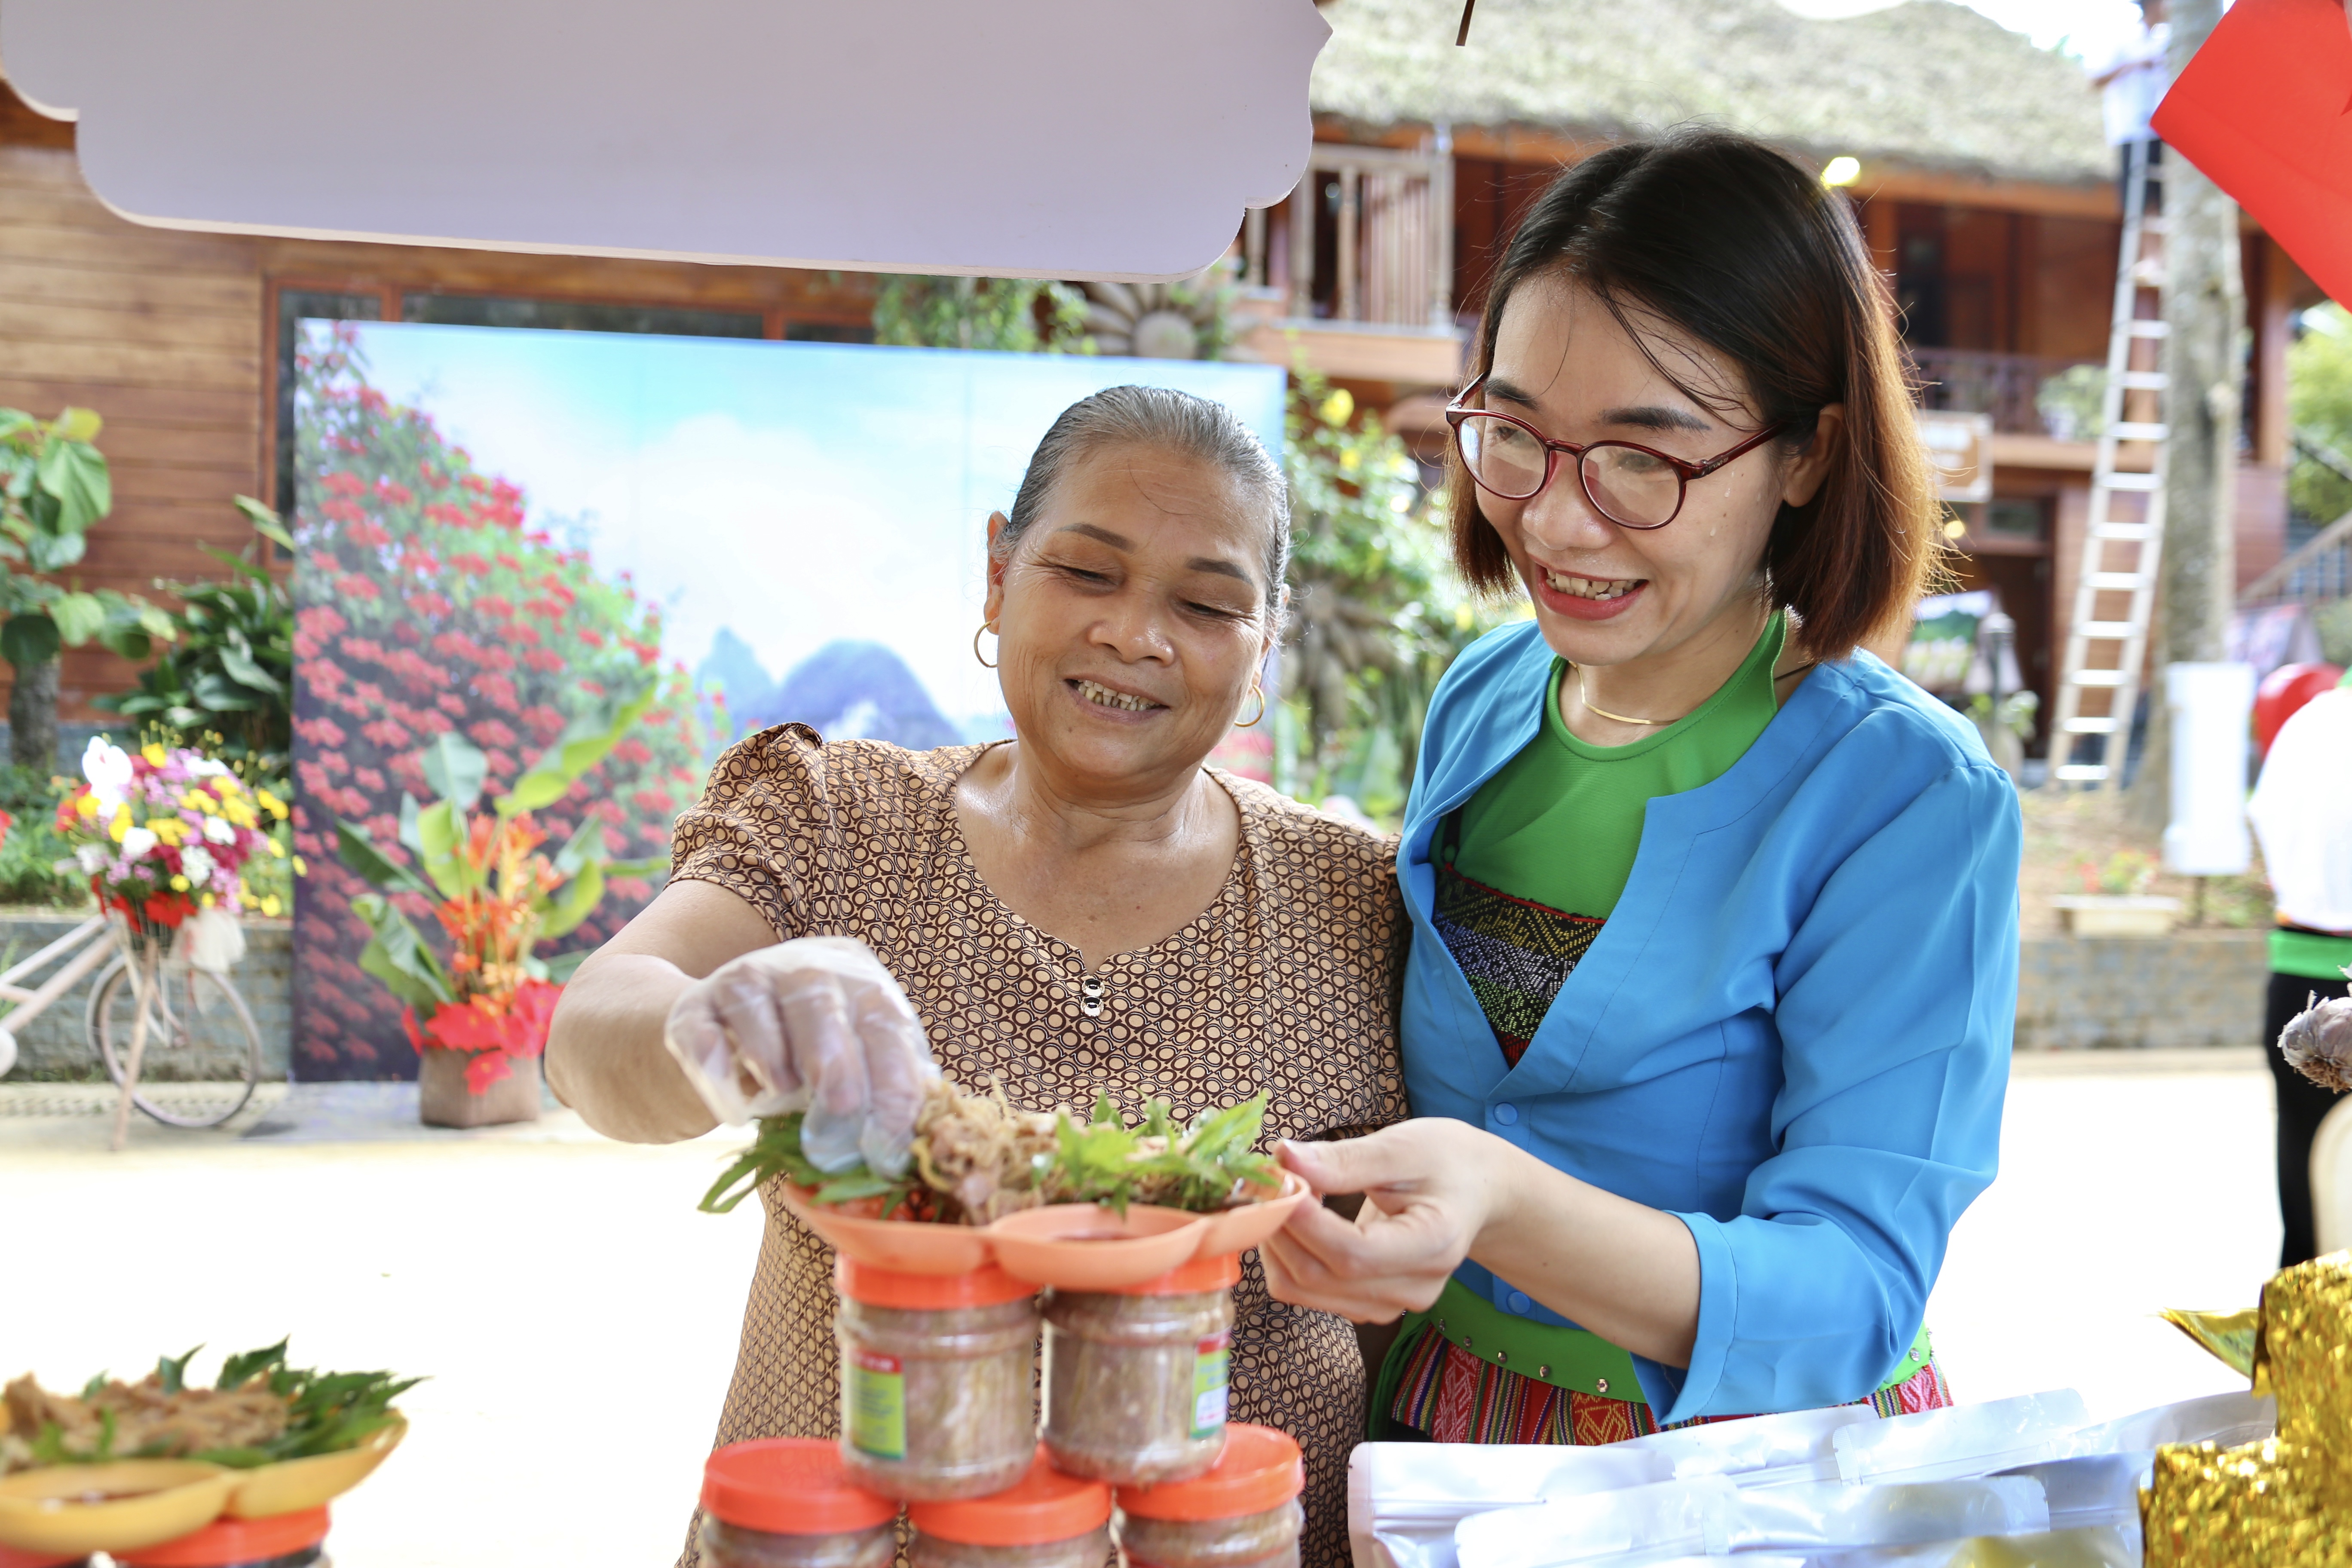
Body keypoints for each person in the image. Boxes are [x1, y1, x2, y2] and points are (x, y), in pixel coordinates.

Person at [543, 384, 1405, 1568]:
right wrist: (714, 1020)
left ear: (1266, 639)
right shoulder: (838, 820)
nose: (1135, 636)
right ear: (1000, 575)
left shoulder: (1362, 902)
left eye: (1204, 603)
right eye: (1088, 574)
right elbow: (595, 1031)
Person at [1260, 128, 2021, 1446]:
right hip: (1442, 1435)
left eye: (1641, 457)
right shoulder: (1486, 698)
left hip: (1734, 1474)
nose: (1556, 519)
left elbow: (1853, 1292)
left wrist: (1499, 1201)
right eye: (1515, 433)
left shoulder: (1907, 799)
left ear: (1808, 455)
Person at [2247, 666, 2352, 1267]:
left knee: (2312, 1197)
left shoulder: (2306, 724)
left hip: (2300, 981)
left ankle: (2301, 1360)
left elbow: (2265, 824)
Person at [2088, 0, 2171, 214]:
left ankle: (2156, 249)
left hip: (2161, 129)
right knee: (2139, 203)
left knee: (2160, 200)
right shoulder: (2124, 39)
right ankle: (2149, 250)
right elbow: (2095, 80)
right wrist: (2134, 65)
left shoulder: (2163, 41)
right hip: (2132, 130)